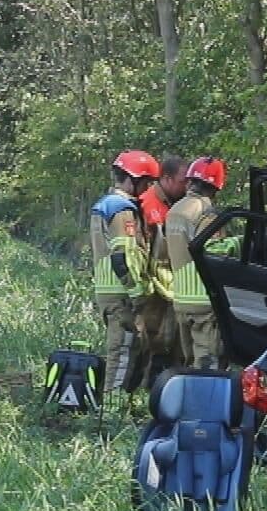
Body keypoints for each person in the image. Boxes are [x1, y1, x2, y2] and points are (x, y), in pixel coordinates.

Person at [90, 149, 160, 393]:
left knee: (127, 352)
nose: (148, 188)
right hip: (121, 293)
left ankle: (118, 405)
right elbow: (122, 257)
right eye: (146, 183)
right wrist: (137, 293)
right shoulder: (121, 210)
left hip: (111, 291)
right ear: (132, 180)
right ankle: (111, 411)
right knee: (120, 355)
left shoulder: (106, 205)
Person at [130, 154, 187, 389]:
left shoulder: (180, 206)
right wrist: (142, 286)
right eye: (183, 181)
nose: (187, 186)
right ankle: (138, 389)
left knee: (173, 344)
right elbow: (138, 251)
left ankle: (165, 388)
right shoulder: (146, 204)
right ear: (166, 179)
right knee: (148, 343)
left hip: (173, 288)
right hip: (152, 289)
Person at [164, 156, 227, 370]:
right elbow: (213, 251)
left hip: (181, 300)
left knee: (189, 363)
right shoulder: (206, 212)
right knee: (206, 365)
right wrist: (237, 243)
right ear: (216, 187)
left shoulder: (174, 211)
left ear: (190, 181)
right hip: (204, 302)